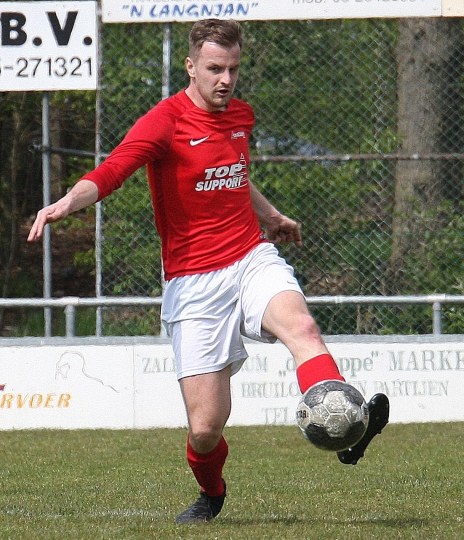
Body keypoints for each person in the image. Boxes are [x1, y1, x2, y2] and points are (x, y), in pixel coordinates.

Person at [27, 18, 390, 523]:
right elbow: (111, 171)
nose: (225, 80)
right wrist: (65, 203)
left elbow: (236, 174)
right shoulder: (165, 121)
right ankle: (212, 492)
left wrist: (271, 217)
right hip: (193, 283)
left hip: (249, 258)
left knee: (302, 328)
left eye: (234, 69)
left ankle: (350, 424)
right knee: (205, 428)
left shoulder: (240, 115)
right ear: (191, 66)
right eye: (215, 69)